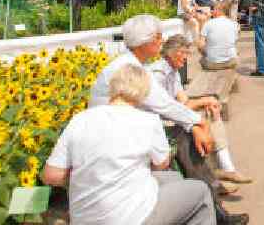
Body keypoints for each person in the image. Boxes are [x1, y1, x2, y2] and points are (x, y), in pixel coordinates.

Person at [88, 15, 249, 225]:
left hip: (119, 132)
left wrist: (195, 123)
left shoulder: (130, 63)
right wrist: (197, 124)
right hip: (118, 137)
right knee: (185, 139)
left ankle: (214, 200)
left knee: (186, 135)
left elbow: (168, 105)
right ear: (144, 41)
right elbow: (165, 106)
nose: (161, 41)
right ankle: (213, 204)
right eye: (157, 37)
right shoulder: (133, 69)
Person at [43, 64, 215, 225]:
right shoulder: (148, 120)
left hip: (84, 218)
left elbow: (51, 175)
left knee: (173, 179)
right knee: (201, 192)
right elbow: (162, 163)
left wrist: (89, 173)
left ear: (113, 87)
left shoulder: (80, 119)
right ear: (143, 92)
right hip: (129, 216)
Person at [148, 35, 251, 185]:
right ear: (172, 53)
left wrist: (208, 101)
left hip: (171, 116)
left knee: (210, 112)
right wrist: (204, 102)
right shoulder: (158, 74)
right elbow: (168, 109)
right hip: (160, 123)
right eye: (184, 53)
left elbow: (184, 102)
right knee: (197, 124)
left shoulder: (173, 71)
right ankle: (215, 176)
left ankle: (226, 168)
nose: (186, 58)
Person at [199, 2, 240, 70]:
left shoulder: (208, 23)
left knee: (201, 59)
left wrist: (205, 54)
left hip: (211, 64)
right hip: (230, 62)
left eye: (214, 9)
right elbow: (234, 43)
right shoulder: (234, 24)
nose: (212, 11)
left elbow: (200, 45)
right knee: (236, 52)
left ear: (219, 10)